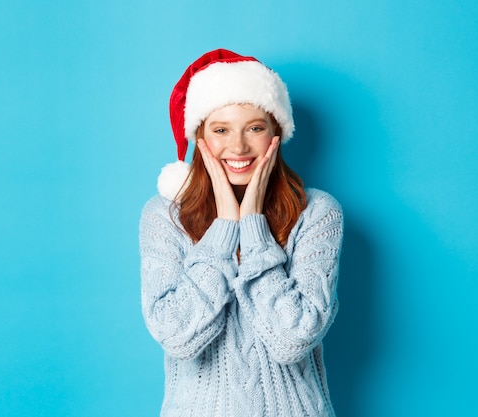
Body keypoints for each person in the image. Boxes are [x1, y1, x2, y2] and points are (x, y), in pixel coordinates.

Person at [139, 49, 344, 417]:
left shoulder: (318, 212)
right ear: (200, 137)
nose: (238, 147)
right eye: (221, 130)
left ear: (275, 134)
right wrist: (224, 230)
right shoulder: (164, 216)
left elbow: (292, 340)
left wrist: (252, 225)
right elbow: (177, 337)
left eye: (254, 128)